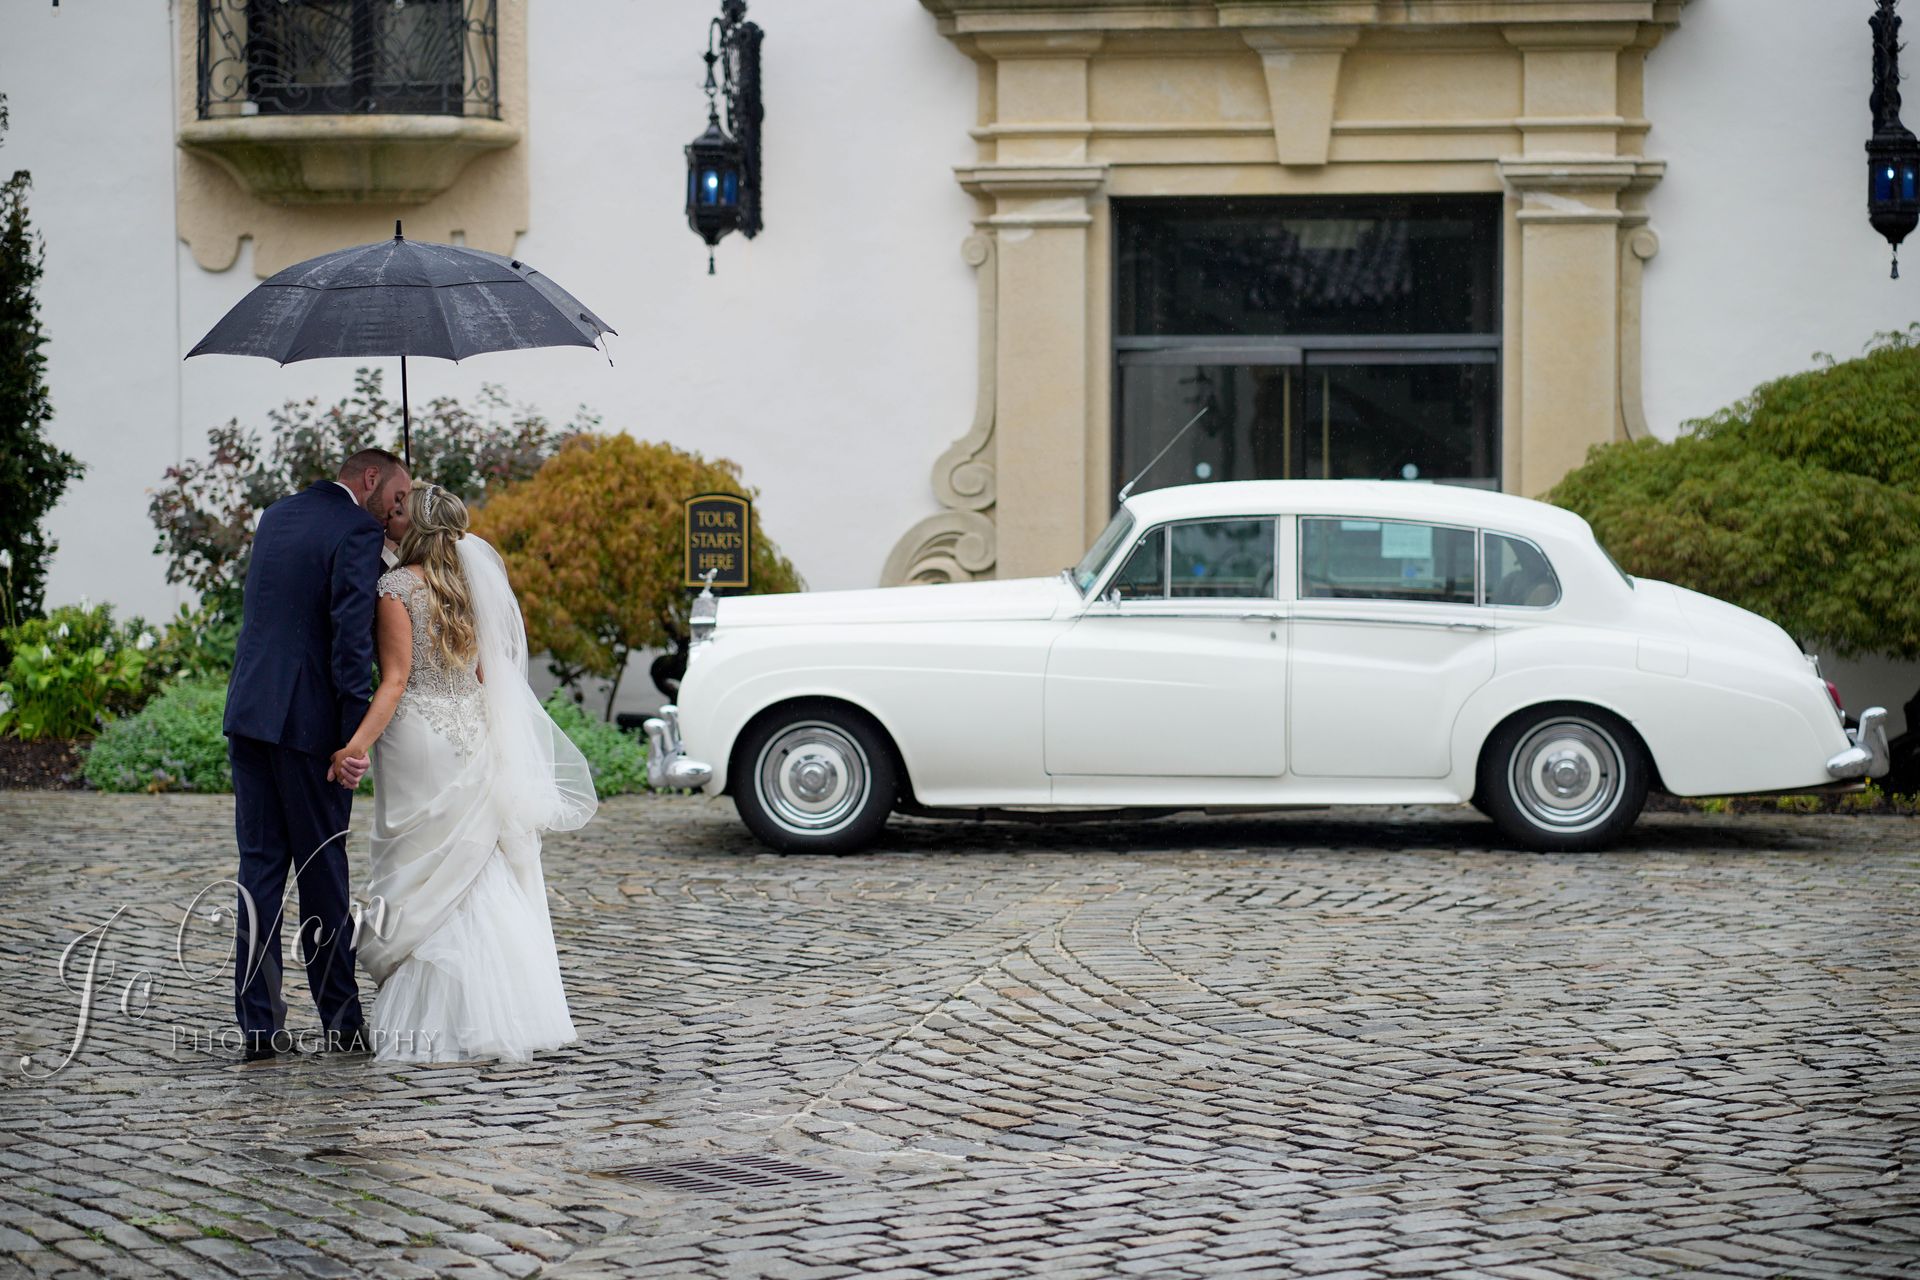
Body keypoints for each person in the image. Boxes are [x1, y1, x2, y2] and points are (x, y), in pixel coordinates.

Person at [331, 483, 597, 1062]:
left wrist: (353, 746)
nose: (387, 516)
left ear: (418, 527)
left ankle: (434, 1020)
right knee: (475, 863)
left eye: (398, 510)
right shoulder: (470, 590)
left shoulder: (396, 588)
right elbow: (484, 677)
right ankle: (504, 1012)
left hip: (419, 735)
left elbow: (396, 681)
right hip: (472, 730)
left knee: (420, 860)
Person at [223, 449, 410, 1063]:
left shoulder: (276, 516)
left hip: (250, 713)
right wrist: (351, 739)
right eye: (397, 496)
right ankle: (343, 1022)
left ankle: (258, 1027)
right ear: (371, 478)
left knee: (260, 870)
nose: (396, 511)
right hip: (309, 731)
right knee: (324, 876)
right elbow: (351, 642)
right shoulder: (357, 528)